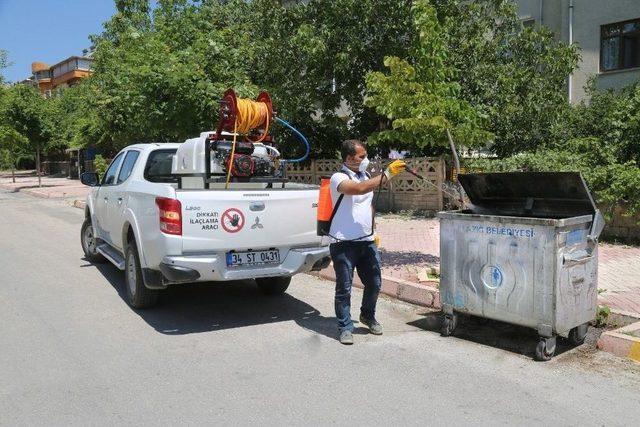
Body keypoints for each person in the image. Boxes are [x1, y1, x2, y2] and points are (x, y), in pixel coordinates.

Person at [329, 140, 406, 345]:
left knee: (374, 283)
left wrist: (372, 229)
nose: (366, 160)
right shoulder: (338, 178)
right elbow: (360, 189)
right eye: (362, 157)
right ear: (348, 159)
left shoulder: (365, 175)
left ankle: (367, 315)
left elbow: (368, 203)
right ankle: (345, 326)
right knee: (344, 287)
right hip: (343, 243)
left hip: (367, 241)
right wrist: (387, 174)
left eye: (366, 155)